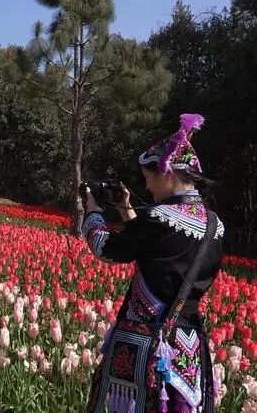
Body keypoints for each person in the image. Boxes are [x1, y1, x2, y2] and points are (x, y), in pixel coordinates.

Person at [82, 114, 224, 413]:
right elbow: (157, 253)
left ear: (167, 173)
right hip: (187, 344)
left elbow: (106, 248)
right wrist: (127, 210)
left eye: (149, 179)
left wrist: (92, 212)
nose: (148, 188)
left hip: (151, 346)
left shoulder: (158, 219)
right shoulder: (214, 224)